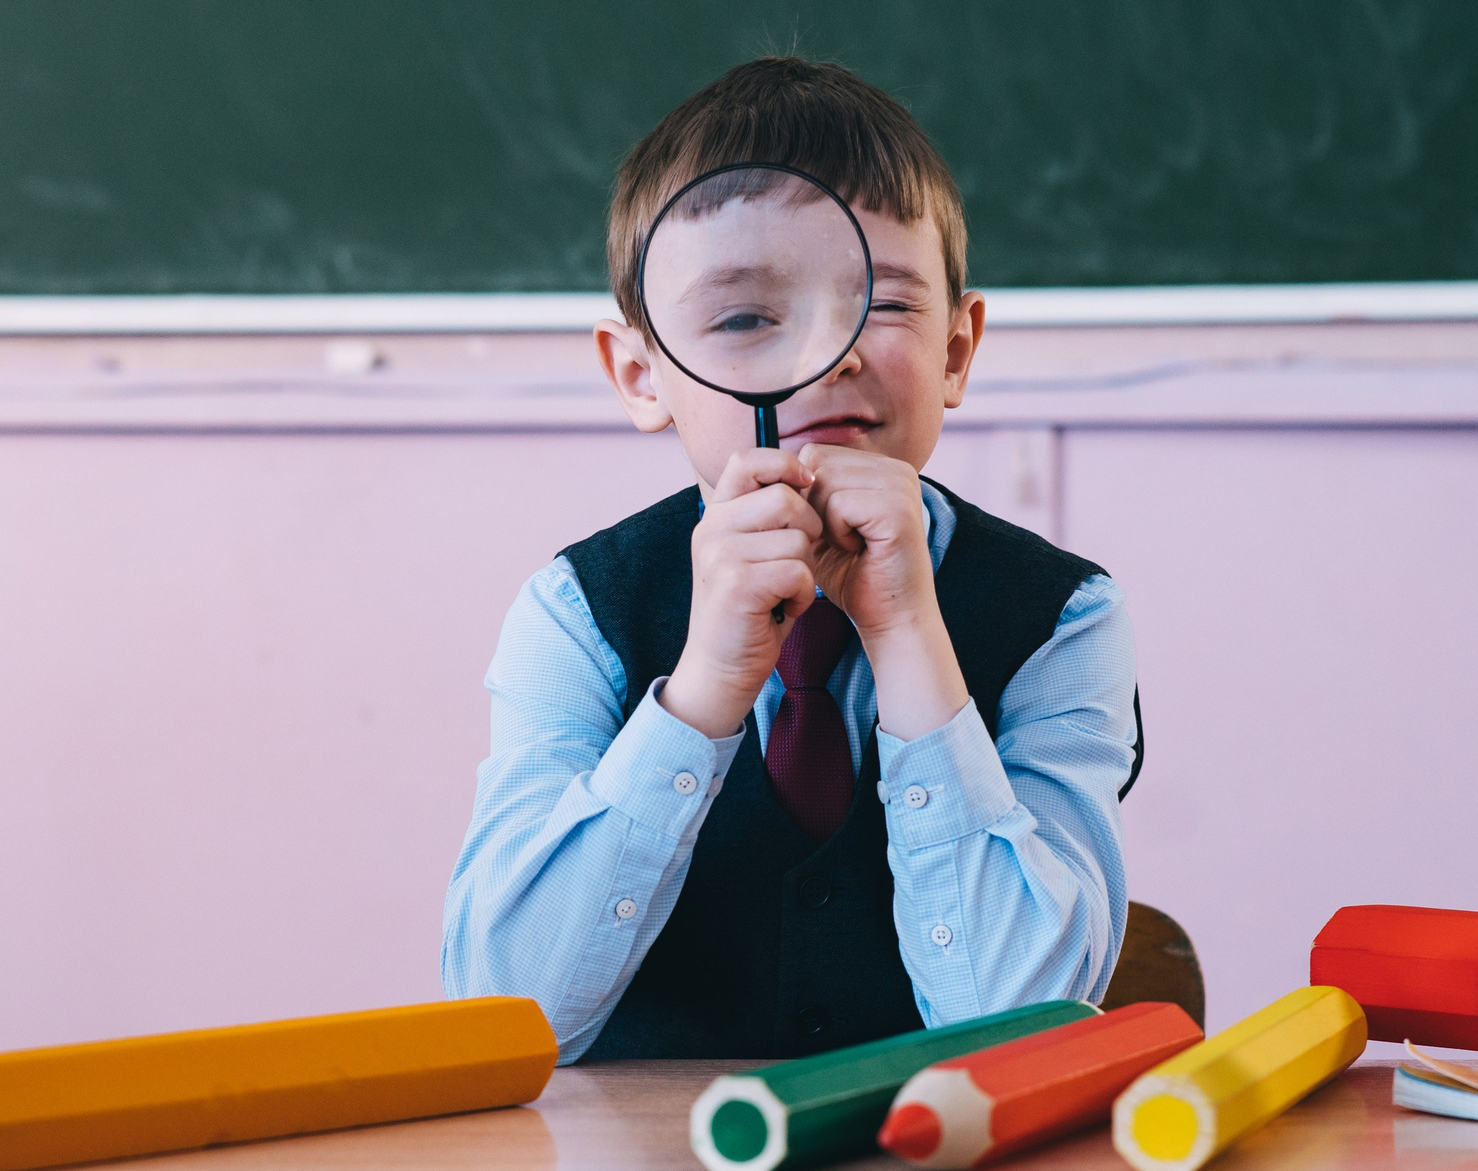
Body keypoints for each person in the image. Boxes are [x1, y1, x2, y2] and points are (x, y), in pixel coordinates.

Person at [442, 57, 1141, 1062]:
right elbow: (510, 1016)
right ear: (642, 376)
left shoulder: (1065, 619)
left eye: (881, 304)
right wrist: (700, 694)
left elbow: (1020, 1025)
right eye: (744, 318)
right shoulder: (574, 614)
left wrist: (908, 637)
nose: (830, 355)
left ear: (955, 351)